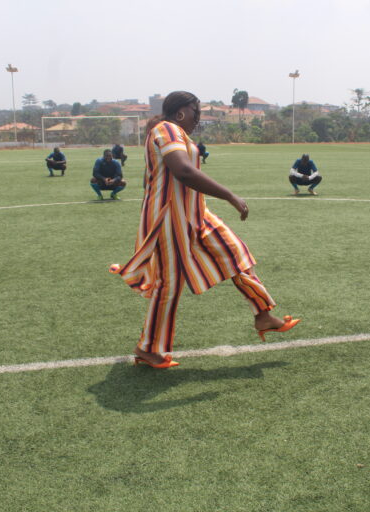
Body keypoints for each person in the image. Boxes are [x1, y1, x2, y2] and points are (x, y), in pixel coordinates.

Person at [117, 91, 299, 368]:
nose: (198, 119)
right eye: (195, 112)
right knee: (170, 284)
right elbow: (183, 171)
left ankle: (263, 314)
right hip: (169, 216)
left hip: (195, 212)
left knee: (235, 252)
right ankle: (148, 348)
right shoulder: (166, 129)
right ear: (180, 112)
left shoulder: (178, 133)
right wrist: (229, 195)